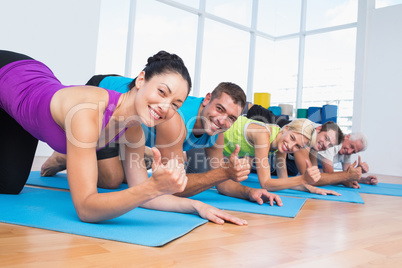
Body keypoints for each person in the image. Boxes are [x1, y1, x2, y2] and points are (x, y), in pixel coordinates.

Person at [0, 50, 247, 225]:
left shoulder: (134, 129)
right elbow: (86, 208)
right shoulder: (86, 114)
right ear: (141, 80)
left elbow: (142, 190)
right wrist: (152, 187)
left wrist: (198, 207)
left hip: (19, 110)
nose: (164, 106)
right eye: (162, 92)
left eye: (175, 103)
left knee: (9, 186)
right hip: (8, 73)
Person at [42, 75, 283, 206]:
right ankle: (67, 154)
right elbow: (175, 187)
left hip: (133, 133)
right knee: (112, 180)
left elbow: (222, 183)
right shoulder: (177, 119)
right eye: (219, 109)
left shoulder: (218, 134)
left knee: (131, 175)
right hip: (107, 96)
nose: (222, 120)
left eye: (231, 118)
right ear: (207, 99)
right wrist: (223, 173)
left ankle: (137, 154)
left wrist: (250, 191)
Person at [246, 104, 349, 195]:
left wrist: (313, 189)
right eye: (326, 138)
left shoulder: (287, 145)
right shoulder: (301, 134)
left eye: (330, 145)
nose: (326, 145)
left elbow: (285, 180)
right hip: (254, 114)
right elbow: (266, 183)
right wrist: (347, 175)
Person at [223, 116, 322, 192]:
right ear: (286, 128)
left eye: (297, 146)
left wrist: (311, 188)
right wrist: (303, 179)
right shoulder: (263, 135)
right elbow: (266, 184)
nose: (290, 146)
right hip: (212, 138)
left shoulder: (280, 142)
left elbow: (283, 179)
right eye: (292, 138)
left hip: (221, 150)